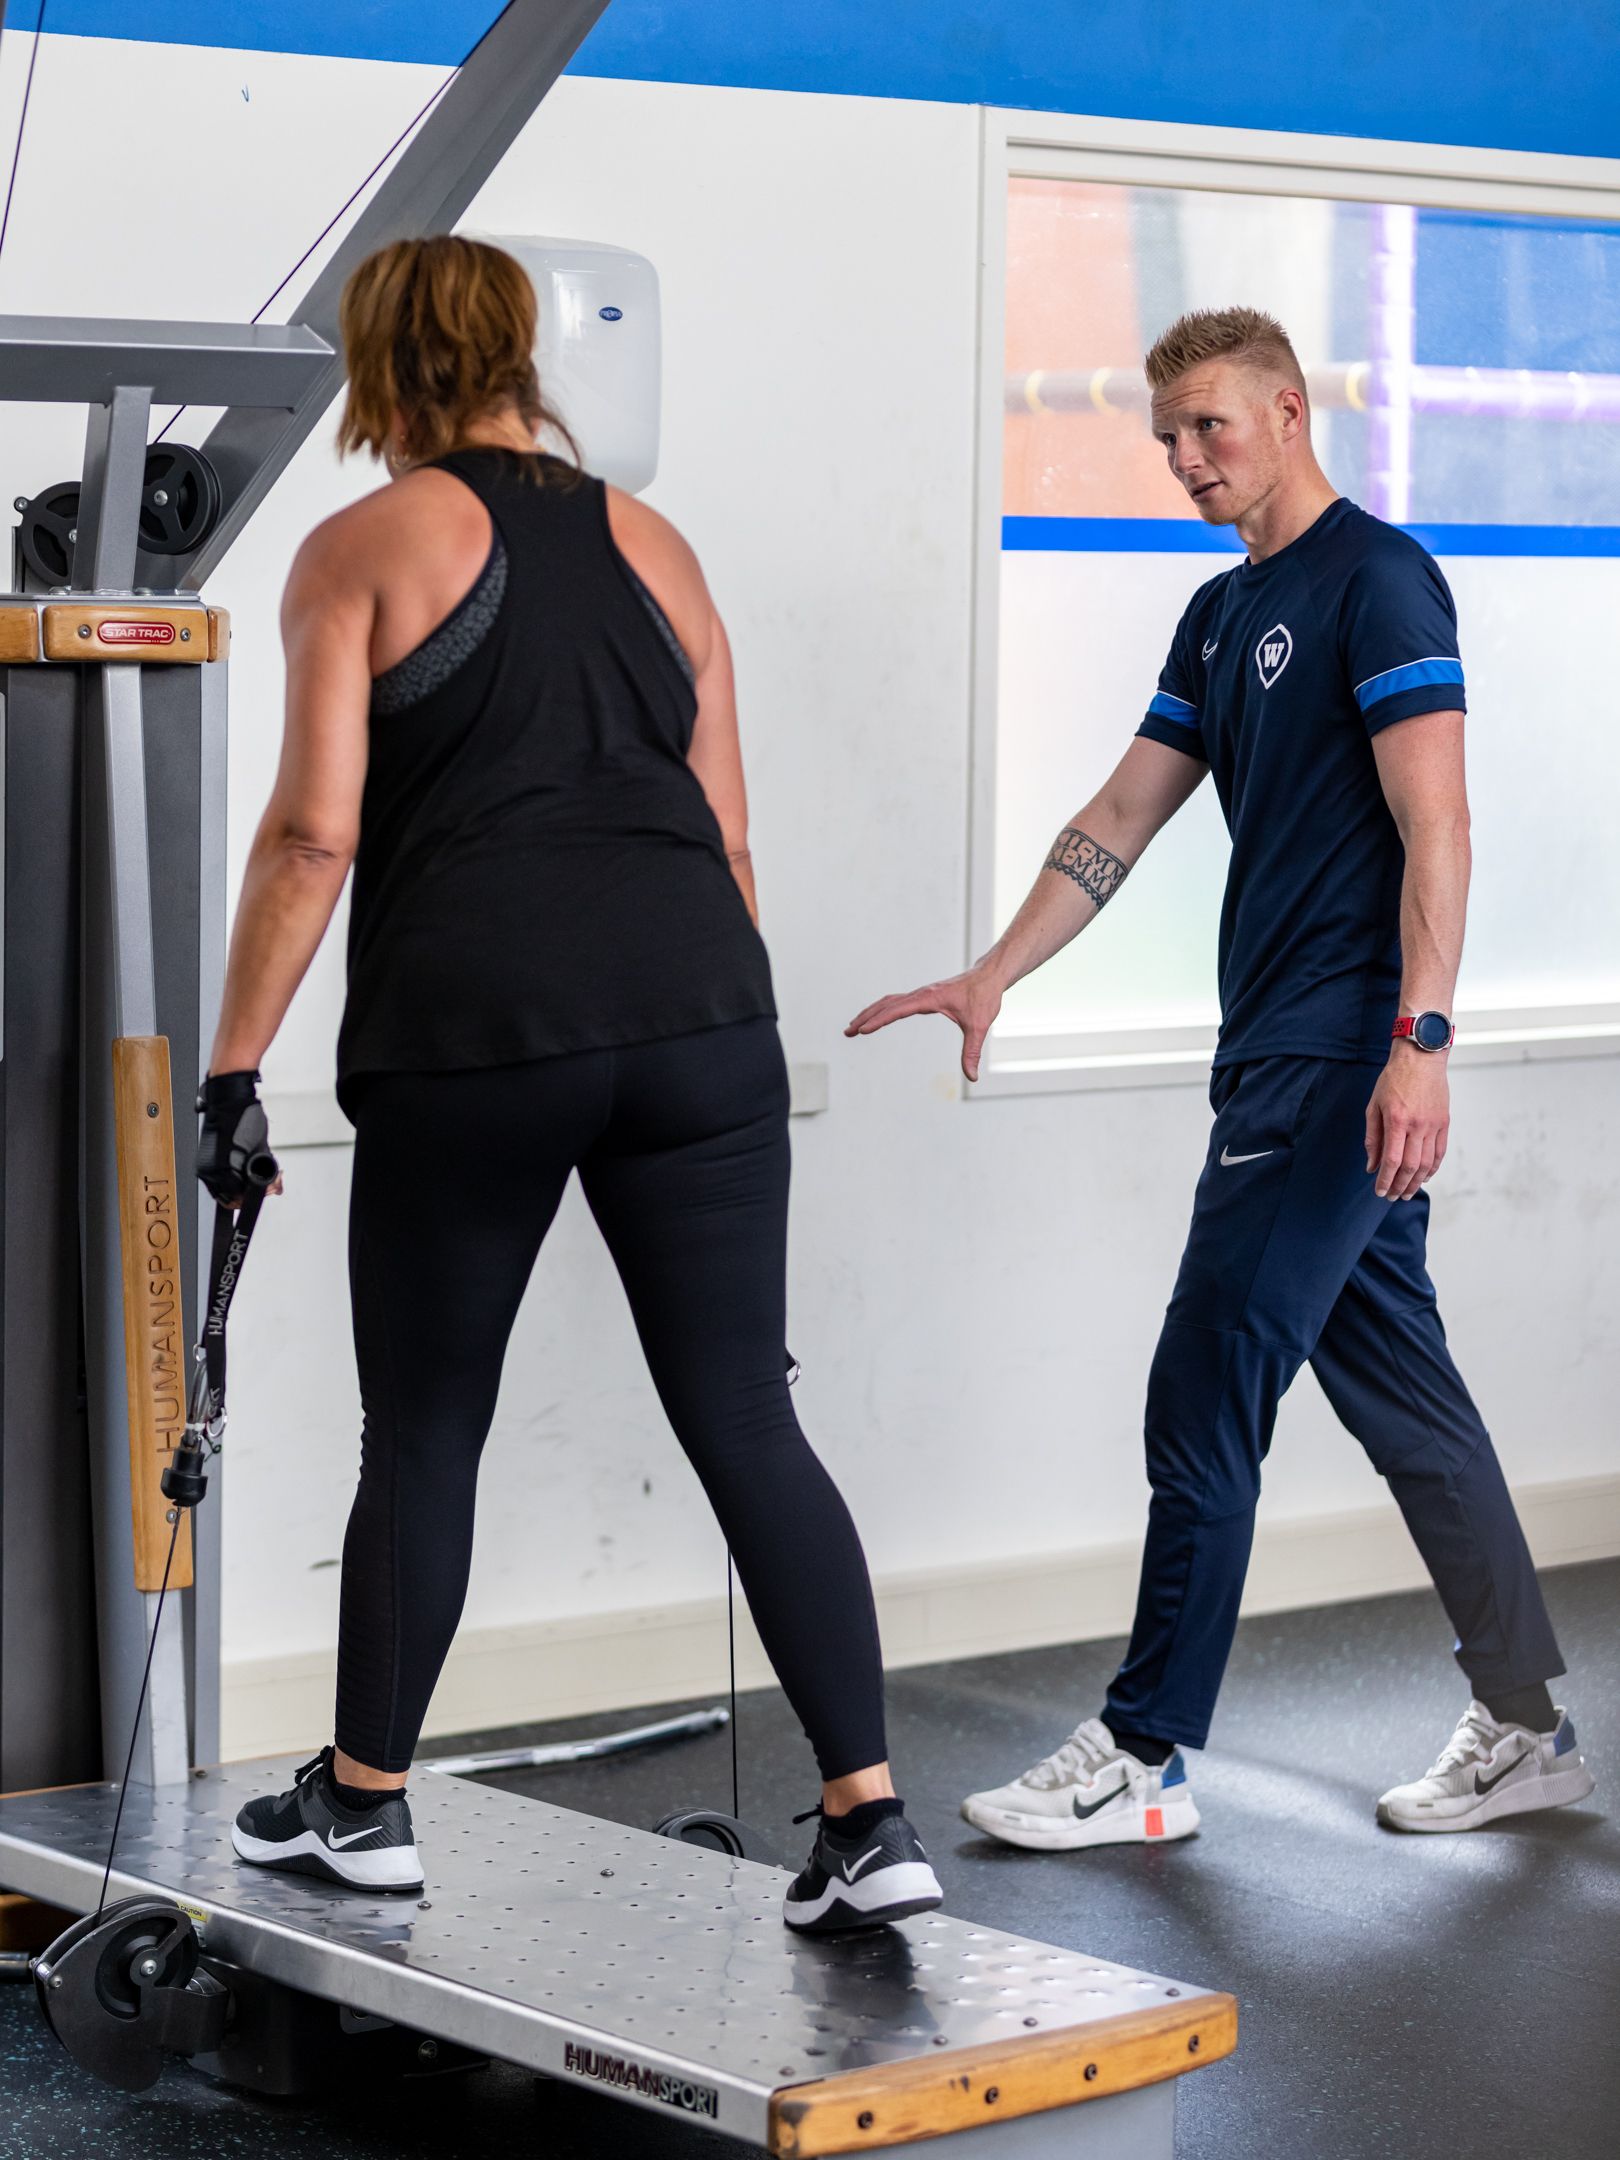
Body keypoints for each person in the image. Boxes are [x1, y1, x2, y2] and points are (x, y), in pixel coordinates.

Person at [197, 235, 941, 1934]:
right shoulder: (662, 549)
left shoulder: (363, 546)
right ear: (526, 354)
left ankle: (367, 1803)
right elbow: (732, 835)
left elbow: (316, 834)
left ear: (385, 370)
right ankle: (874, 1822)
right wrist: (723, 1057)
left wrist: (232, 1069)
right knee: (751, 1415)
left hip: (476, 1035)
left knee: (427, 1424)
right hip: (700, 1018)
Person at [848, 306, 1595, 1848]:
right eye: (1169, 435)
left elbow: (1439, 823)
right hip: (1273, 1050)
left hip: (1341, 1058)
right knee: (1410, 1402)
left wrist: (1420, 1044)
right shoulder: (1216, 611)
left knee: (1205, 1389)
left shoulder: (1379, 580)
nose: (1187, 457)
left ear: (1288, 412)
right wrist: (999, 967)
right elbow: (1123, 811)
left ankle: (1144, 1755)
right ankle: (1526, 1725)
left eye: (1210, 425)